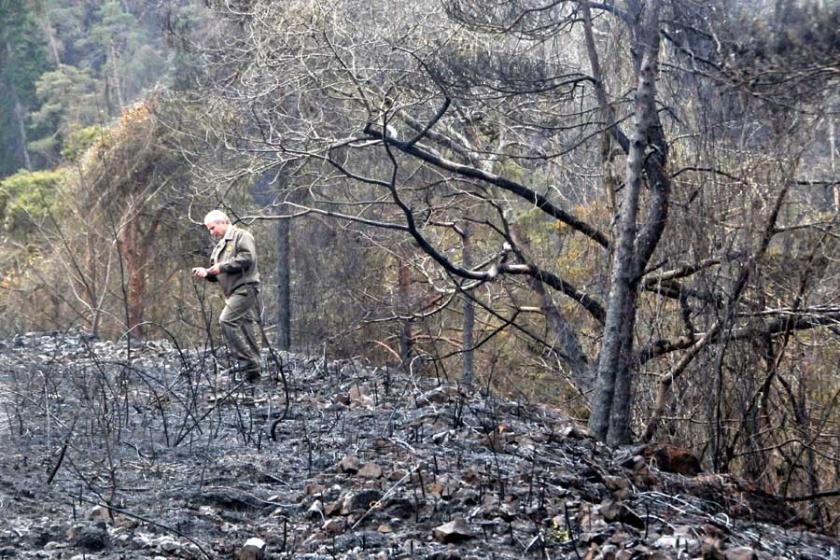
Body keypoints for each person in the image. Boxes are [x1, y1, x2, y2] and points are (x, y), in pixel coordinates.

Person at [192, 210, 262, 382]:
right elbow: (216, 275)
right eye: (209, 229)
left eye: (212, 228)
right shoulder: (219, 247)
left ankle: (247, 362)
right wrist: (207, 273)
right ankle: (254, 372)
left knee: (226, 320)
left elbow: (247, 257)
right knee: (246, 328)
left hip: (244, 288)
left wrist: (222, 267)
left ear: (223, 222)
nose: (212, 232)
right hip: (232, 292)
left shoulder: (241, 236)